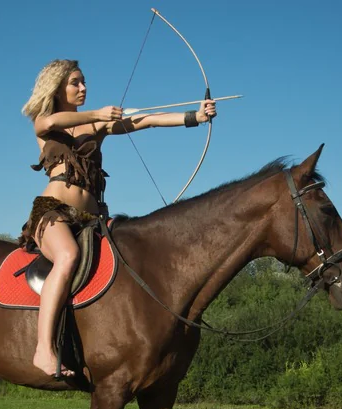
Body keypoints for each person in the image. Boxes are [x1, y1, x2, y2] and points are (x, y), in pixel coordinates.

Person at [19, 59, 217, 379]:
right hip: (53, 213)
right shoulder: (46, 121)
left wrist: (195, 116)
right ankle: (44, 349)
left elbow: (147, 119)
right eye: (76, 83)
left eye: (84, 82)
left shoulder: (97, 126)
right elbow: (46, 124)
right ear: (57, 87)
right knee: (67, 256)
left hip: (93, 219)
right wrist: (97, 114)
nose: (83, 88)